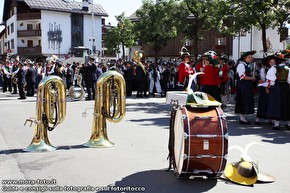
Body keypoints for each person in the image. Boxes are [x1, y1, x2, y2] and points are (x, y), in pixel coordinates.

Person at [235, 50, 257, 124]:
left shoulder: (248, 65)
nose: (251, 58)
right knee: (242, 100)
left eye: (251, 57)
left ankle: (243, 117)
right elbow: (242, 76)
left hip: (247, 85)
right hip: (243, 86)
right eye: (249, 57)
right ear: (245, 58)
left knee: (246, 100)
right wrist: (251, 78)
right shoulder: (241, 65)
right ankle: (242, 118)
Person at [255, 55, 275, 125]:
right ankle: (258, 118)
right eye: (271, 62)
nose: (272, 63)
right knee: (262, 103)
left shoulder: (275, 69)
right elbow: (263, 80)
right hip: (264, 87)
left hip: (271, 87)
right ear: (268, 63)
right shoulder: (264, 69)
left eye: (273, 62)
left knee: (270, 103)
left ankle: (269, 119)